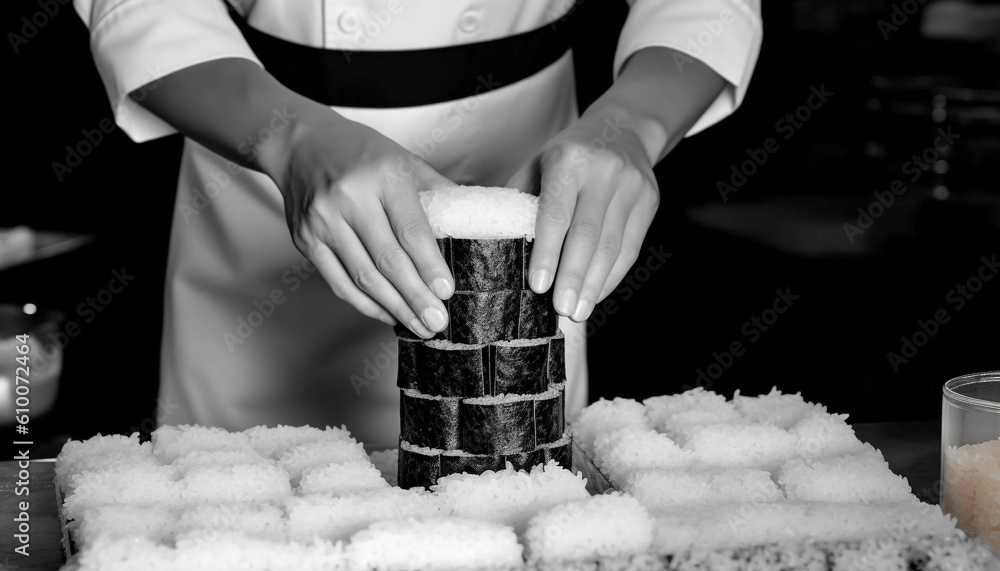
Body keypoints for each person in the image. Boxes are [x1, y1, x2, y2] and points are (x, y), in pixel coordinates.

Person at [71, 0, 762, 447]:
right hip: (255, 165)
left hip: (526, 184)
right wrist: (284, 138)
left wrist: (633, 125)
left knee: (508, 503)